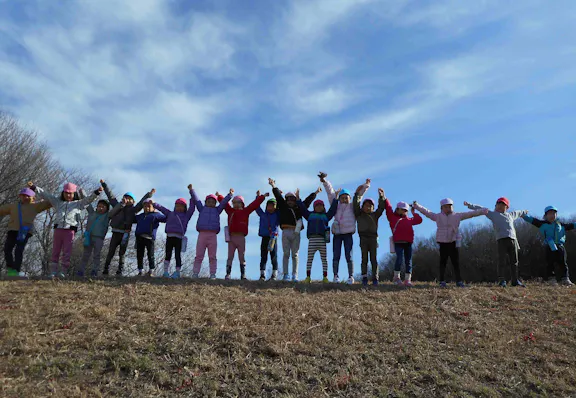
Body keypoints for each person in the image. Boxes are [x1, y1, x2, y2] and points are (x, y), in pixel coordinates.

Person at [31, 181, 101, 278]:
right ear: (63, 193)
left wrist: (96, 192)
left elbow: (88, 200)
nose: (68, 195)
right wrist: (34, 187)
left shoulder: (78, 204)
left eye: (70, 193)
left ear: (74, 194)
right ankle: (53, 272)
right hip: (58, 230)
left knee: (67, 252)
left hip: (70, 231)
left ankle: (63, 271)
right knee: (55, 251)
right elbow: (46, 195)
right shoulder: (58, 202)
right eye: (66, 193)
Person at [413, 198, 487, 288]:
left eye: (449, 206)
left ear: (452, 207)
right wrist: (417, 206)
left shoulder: (457, 216)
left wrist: (482, 211)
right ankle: (442, 281)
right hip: (442, 242)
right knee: (442, 262)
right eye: (446, 207)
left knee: (455, 262)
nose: (448, 208)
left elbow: (470, 214)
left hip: (453, 241)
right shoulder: (438, 217)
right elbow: (427, 212)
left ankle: (459, 281)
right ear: (442, 208)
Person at [465, 197, 528, 287]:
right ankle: (502, 280)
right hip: (501, 240)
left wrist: (525, 212)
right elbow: (481, 208)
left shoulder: (510, 215)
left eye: (502, 204)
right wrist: (470, 205)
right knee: (501, 260)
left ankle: (515, 280)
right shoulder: (493, 214)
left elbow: (519, 212)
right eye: (498, 204)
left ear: (507, 207)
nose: (499, 206)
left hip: (513, 240)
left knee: (514, 261)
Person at [269, 178, 319, 282]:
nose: (291, 201)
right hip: (285, 231)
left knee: (295, 254)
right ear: (286, 200)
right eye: (288, 199)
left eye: (293, 199)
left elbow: (308, 201)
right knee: (286, 254)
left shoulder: (299, 207)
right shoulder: (283, 206)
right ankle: (286, 275)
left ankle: (294, 275)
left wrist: (316, 192)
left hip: (296, 232)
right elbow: (278, 196)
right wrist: (273, 185)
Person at [101, 180, 153, 276]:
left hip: (125, 233)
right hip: (116, 232)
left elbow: (141, 203)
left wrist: (149, 195)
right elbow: (110, 196)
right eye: (126, 198)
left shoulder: (134, 209)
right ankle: (106, 269)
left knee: (122, 252)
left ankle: (120, 271)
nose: (127, 200)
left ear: (133, 201)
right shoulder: (118, 205)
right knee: (111, 251)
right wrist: (104, 185)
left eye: (130, 199)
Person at [319, 172, 363, 284]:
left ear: (349, 198)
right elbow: (330, 192)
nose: (344, 199)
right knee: (336, 255)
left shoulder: (352, 206)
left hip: (348, 234)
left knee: (349, 255)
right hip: (337, 234)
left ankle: (350, 276)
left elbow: (359, 196)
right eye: (342, 198)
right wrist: (324, 181)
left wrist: (365, 186)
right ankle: (335, 276)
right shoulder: (336, 205)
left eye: (346, 197)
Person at [0, 187, 52, 277]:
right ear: (20, 196)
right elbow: (1, 209)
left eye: (28, 196)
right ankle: (10, 269)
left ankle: (16, 270)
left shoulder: (35, 206)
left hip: (25, 232)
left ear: (33, 197)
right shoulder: (13, 206)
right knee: (7, 249)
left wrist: (37, 189)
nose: (25, 197)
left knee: (18, 250)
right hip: (12, 230)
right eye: (23, 195)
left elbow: (51, 201)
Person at [522, 206, 575, 286]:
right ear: (545, 216)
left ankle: (565, 279)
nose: (552, 215)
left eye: (554, 213)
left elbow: (572, 225)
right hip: (549, 246)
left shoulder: (561, 225)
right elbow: (532, 220)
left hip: (560, 246)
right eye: (549, 214)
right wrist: (522, 214)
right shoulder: (543, 224)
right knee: (550, 263)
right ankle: (551, 279)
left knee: (563, 263)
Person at [153, 185, 195, 278]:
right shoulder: (170, 213)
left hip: (179, 237)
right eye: (177, 206)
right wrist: (154, 204)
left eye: (181, 206)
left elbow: (192, 208)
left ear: (185, 208)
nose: (179, 208)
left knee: (177, 255)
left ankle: (177, 272)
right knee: (167, 254)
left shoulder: (186, 216)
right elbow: (162, 209)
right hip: (169, 236)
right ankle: (165, 272)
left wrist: (192, 195)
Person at [298, 189, 339, 283]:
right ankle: (308, 277)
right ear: (314, 207)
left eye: (321, 205)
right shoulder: (310, 215)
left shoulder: (326, 216)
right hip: (312, 240)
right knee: (309, 259)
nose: (319, 207)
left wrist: (335, 200)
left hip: (322, 240)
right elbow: (303, 209)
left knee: (324, 259)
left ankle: (325, 277)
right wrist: (298, 200)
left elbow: (332, 210)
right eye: (317, 205)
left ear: (323, 207)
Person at [191, 186, 233, 279]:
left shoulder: (217, 210)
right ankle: (195, 273)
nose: (211, 203)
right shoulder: (202, 209)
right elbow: (197, 200)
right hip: (202, 234)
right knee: (199, 255)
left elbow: (223, 203)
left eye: (213, 202)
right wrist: (192, 190)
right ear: (205, 202)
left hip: (213, 235)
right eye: (209, 201)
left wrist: (230, 195)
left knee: (212, 256)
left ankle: (213, 274)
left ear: (215, 203)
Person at [384, 191, 422, 287]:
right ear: (397, 209)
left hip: (408, 243)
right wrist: (385, 198)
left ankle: (407, 279)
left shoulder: (409, 219)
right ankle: (396, 277)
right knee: (399, 259)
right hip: (398, 242)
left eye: (406, 210)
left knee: (408, 261)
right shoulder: (392, 218)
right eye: (403, 210)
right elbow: (388, 209)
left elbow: (419, 220)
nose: (405, 212)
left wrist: (414, 212)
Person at [353, 182, 385, 286]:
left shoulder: (375, 215)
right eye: (366, 206)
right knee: (364, 258)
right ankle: (364, 277)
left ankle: (375, 278)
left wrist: (381, 197)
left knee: (374, 259)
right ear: (363, 207)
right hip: (363, 238)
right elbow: (356, 205)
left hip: (373, 238)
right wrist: (357, 194)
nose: (368, 208)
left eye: (370, 206)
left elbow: (381, 208)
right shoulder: (359, 214)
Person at [255, 195, 280, 281]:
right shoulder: (263, 214)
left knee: (274, 256)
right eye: (269, 205)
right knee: (263, 256)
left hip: (273, 238)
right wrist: (258, 197)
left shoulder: (277, 215)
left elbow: (282, 207)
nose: (271, 207)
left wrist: (278, 197)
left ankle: (274, 275)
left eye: (273, 205)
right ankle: (262, 275)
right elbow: (256, 207)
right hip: (264, 237)